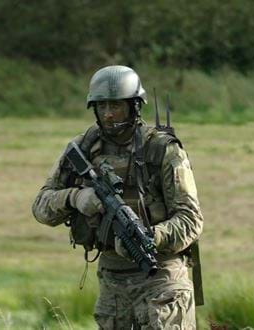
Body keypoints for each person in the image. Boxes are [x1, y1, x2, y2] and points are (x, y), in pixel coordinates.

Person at [32, 65, 204, 329]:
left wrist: (152, 236)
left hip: (162, 276)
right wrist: (75, 198)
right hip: (113, 283)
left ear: (134, 107)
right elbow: (41, 207)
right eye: (102, 107)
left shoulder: (162, 151)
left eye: (117, 106)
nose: (109, 114)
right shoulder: (84, 148)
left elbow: (191, 220)